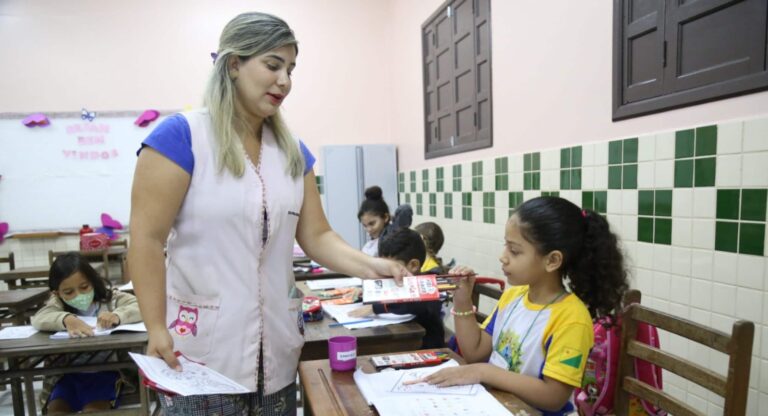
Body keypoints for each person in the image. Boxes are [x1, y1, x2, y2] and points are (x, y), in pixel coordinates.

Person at [128, 12, 408, 415]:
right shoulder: (181, 138)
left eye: (290, 69)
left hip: (275, 350)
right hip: (200, 351)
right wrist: (155, 327)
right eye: (273, 65)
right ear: (233, 64)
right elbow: (146, 241)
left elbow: (317, 236)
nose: (285, 81)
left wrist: (370, 265)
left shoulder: (292, 151)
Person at [410, 196, 629, 414]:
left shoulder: (572, 318)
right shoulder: (514, 296)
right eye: (506, 246)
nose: (503, 257)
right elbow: (475, 353)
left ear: (552, 261)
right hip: (495, 403)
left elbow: (553, 397)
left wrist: (485, 372)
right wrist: (462, 299)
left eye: (514, 251)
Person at [31, 252, 142, 415]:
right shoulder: (58, 305)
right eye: (69, 292)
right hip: (68, 376)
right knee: (55, 412)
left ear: (94, 282)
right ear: (57, 293)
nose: (79, 295)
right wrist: (66, 319)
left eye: (84, 287)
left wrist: (118, 315)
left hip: (107, 374)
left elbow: (140, 306)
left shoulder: (110, 299)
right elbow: (39, 318)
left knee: (93, 411)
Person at [349, 228, 446, 348]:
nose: (386, 273)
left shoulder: (429, 284)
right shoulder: (395, 282)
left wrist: (377, 307)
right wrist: (369, 293)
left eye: (392, 267)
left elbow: (413, 302)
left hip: (427, 350)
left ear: (413, 265)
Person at [358, 185, 412, 257]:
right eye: (365, 225)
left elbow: (405, 209)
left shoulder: (394, 232)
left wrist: (393, 217)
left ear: (385, 217)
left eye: (372, 223)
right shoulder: (372, 242)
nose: (369, 229)